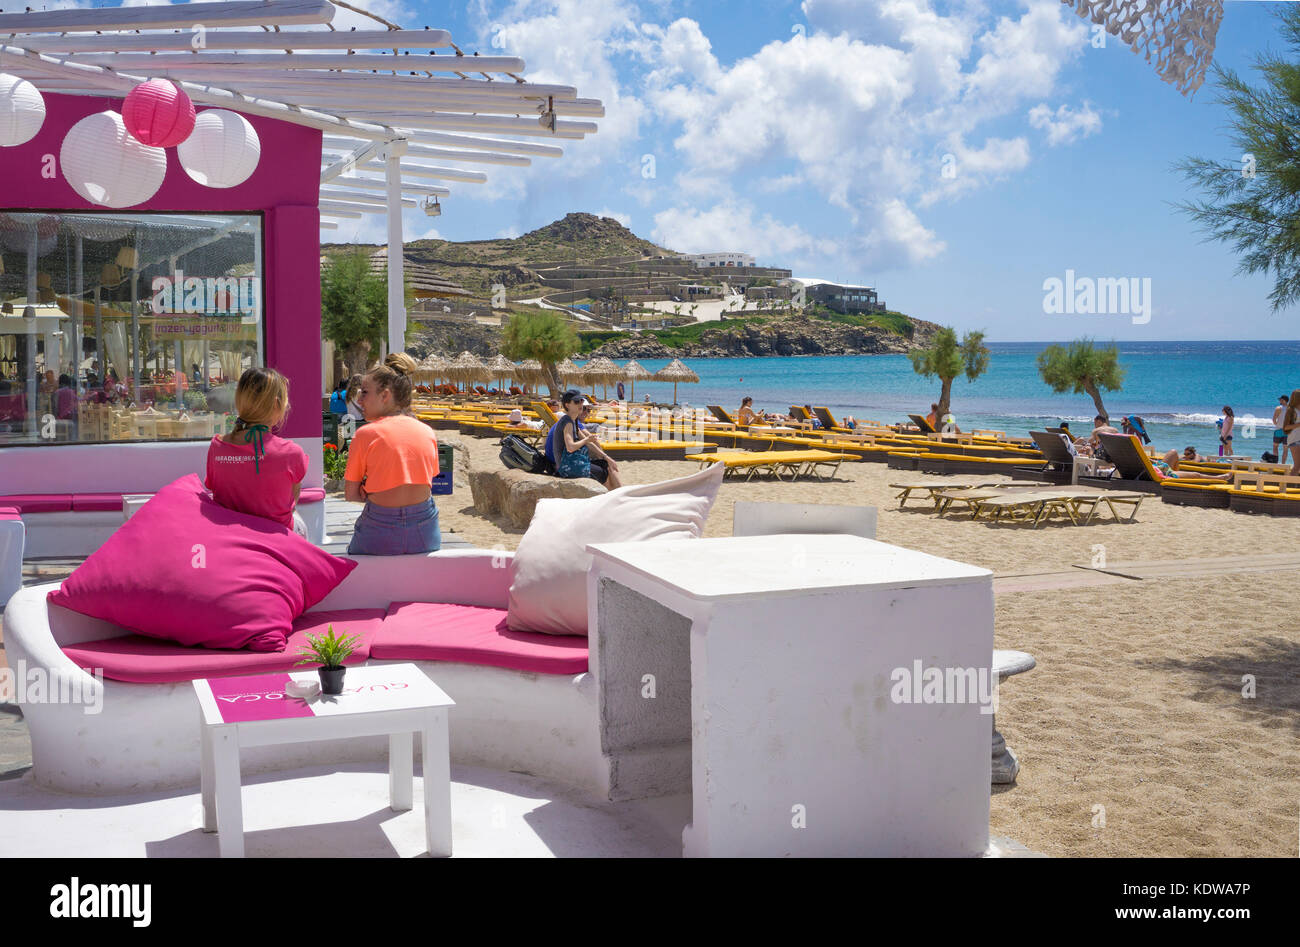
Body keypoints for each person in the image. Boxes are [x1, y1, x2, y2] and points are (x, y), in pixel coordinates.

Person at [343, 353, 442, 555]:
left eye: (364, 392)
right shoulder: (426, 431)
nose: (359, 399)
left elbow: (351, 494)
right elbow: (425, 481)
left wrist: (373, 491)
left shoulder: (365, 434)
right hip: (424, 529)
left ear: (385, 396)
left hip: (379, 526)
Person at [205, 367, 308, 532]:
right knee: (301, 525)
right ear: (276, 404)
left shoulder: (217, 447)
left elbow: (214, 488)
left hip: (230, 538)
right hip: (275, 539)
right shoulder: (291, 453)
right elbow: (291, 504)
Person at [550, 389, 621, 488]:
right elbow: (571, 447)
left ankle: (618, 493)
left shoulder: (573, 421)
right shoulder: (567, 422)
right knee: (602, 472)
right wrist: (586, 440)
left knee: (606, 464)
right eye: (576, 402)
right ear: (567, 405)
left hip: (572, 462)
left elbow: (589, 443)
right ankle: (615, 495)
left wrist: (607, 457)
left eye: (581, 401)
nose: (580, 404)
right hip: (566, 466)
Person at [1152, 449, 1229, 481]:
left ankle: (1226, 454)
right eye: (1185, 454)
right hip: (1160, 470)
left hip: (1216, 462)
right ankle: (1219, 478)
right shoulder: (1188, 457)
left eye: (1188, 454)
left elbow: (1195, 462)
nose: (1186, 455)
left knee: (1173, 452)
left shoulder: (1197, 456)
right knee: (1196, 475)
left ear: (1193, 453)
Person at [1283, 389, 1300, 476]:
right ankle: (1289, 485)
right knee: (1297, 466)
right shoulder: (1291, 410)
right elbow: (1285, 427)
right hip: (1295, 439)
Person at [1273, 395, 1289, 461]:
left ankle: (1275, 463)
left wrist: (1278, 425)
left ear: (1283, 400)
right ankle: (1283, 464)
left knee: (1275, 447)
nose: (1280, 401)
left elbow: (1274, 419)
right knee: (1285, 449)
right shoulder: (1291, 408)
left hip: (1279, 430)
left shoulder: (1278, 408)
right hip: (1287, 431)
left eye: (1280, 400)